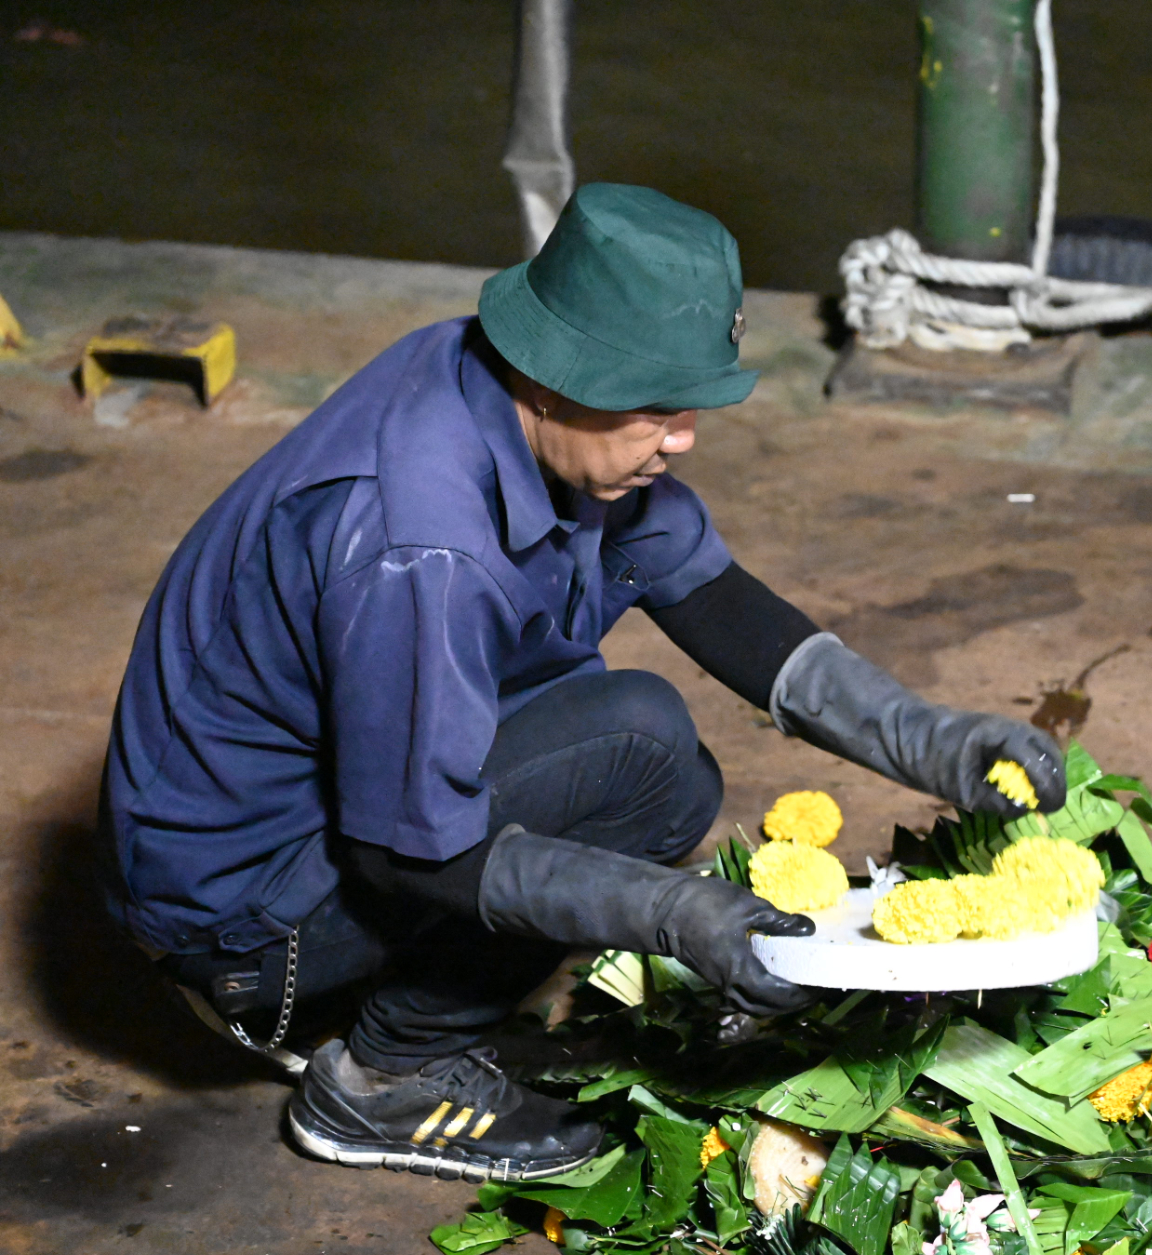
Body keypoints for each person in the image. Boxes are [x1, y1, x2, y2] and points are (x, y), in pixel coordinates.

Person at [99, 184, 1065, 1182]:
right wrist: (677, 914)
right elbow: (409, 857)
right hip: (245, 931)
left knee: (651, 748)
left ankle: (427, 1023)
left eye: (687, 404)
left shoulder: (521, 400)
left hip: (299, 843)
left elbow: (713, 596)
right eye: (653, 407)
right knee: (643, 754)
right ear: (551, 377)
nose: (681, 438)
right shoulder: (421, 544)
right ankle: (385, 1073)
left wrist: (929, 737)